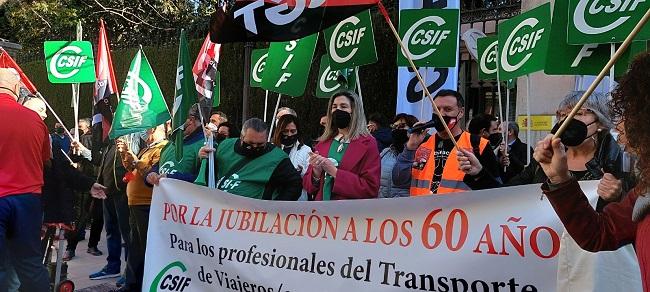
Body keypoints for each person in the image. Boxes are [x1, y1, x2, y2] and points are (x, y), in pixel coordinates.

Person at [459, 91, 641, 291]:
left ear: (600, 123)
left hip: (594, 274)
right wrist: (479, 174)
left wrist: (619, 196)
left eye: (578, 114)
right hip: (543, 268)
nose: (567, 120)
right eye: (562, 115)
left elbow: (631, 223)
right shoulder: (542, 162)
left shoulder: (623, 163)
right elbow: (508, 198)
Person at [536, 53, 650, 291]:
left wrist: (617, 194)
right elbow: (598, 233)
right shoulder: (645, 190)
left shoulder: (628, 171)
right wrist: (560, 179)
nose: (618, 125)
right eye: (562, 115)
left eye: (627, 114)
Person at [392, 89, 501, 195]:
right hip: (422, 212)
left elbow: (497, 192)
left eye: (448, 109)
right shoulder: (422, 143)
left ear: (461, 112)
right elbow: (399, 181)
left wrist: (479, 174)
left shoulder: (478, 145)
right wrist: (410, 148)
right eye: (436, 109)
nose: (441, 114)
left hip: (458, 212)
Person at [0, 68, 50, 291]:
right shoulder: (35, 120)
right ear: (16, 88)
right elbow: (45, 160)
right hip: (28, 199)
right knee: (31, 264)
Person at [116, 125, 167, 292]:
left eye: (153, 127)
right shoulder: (147, 149)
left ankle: (146, 284)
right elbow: (132, 170)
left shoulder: (163, 148)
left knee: (145, 247)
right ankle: (131, 284)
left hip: (147, 203)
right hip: (135, 203)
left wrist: (136, 161)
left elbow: (151, 174)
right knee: (135, 247)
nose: (148, 131)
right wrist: (125, 154)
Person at [198, 118, 302, 200]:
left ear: (266, 139)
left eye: (260, 144)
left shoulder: (277, 158)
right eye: (250, 143)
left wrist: (275, 208)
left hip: (253, 219)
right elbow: (210, 173)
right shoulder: (225, 146)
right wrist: (203, 159)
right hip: (221, 210)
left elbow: (294, 184)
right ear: (241, 137)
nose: (255, 147)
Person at [303, 91, 380, 200]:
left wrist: (334, 172)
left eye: (343, 106)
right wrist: (316, 172)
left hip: (349, 213)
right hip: (322, 213)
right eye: (334, 107)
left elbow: (371, 188)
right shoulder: (322, 143)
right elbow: (308, 187)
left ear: (354, 111)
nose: (338, 110)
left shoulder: (368, 144)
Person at [65, 118, 105, 260]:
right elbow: (74, 159)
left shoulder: (102, 141)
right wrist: (76, 151)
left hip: (98, 180)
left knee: (97, 216)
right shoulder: (82, 139)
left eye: (81, 126)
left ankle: (90, 245)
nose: (79, 129)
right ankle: (72, 247)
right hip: (86, 181)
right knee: (82, 215)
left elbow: (98, 159)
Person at [146, 105, 205, 185]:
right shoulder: (170, 143)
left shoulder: (204, 145)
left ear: (191, 120)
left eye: (176, 118)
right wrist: (152, 174)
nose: (172, 123)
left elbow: (203, 179)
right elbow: (159, 165)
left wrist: (171, 178)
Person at [272, 114, 311, 200]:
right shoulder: (271, 149)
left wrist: (301, 172)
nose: (289, 134)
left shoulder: (306, 150)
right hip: (274, 199)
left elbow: (310, 180)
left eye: (293, 131)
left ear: (298, 131)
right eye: (285, 131)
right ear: (279, 131)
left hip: (298, 202)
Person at [379, 114, 418, 198]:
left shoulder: (420, 154)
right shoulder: (386, 153)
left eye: (402, 126)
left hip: (406, 208)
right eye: (394, 126)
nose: (397, 129)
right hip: (381, 207)